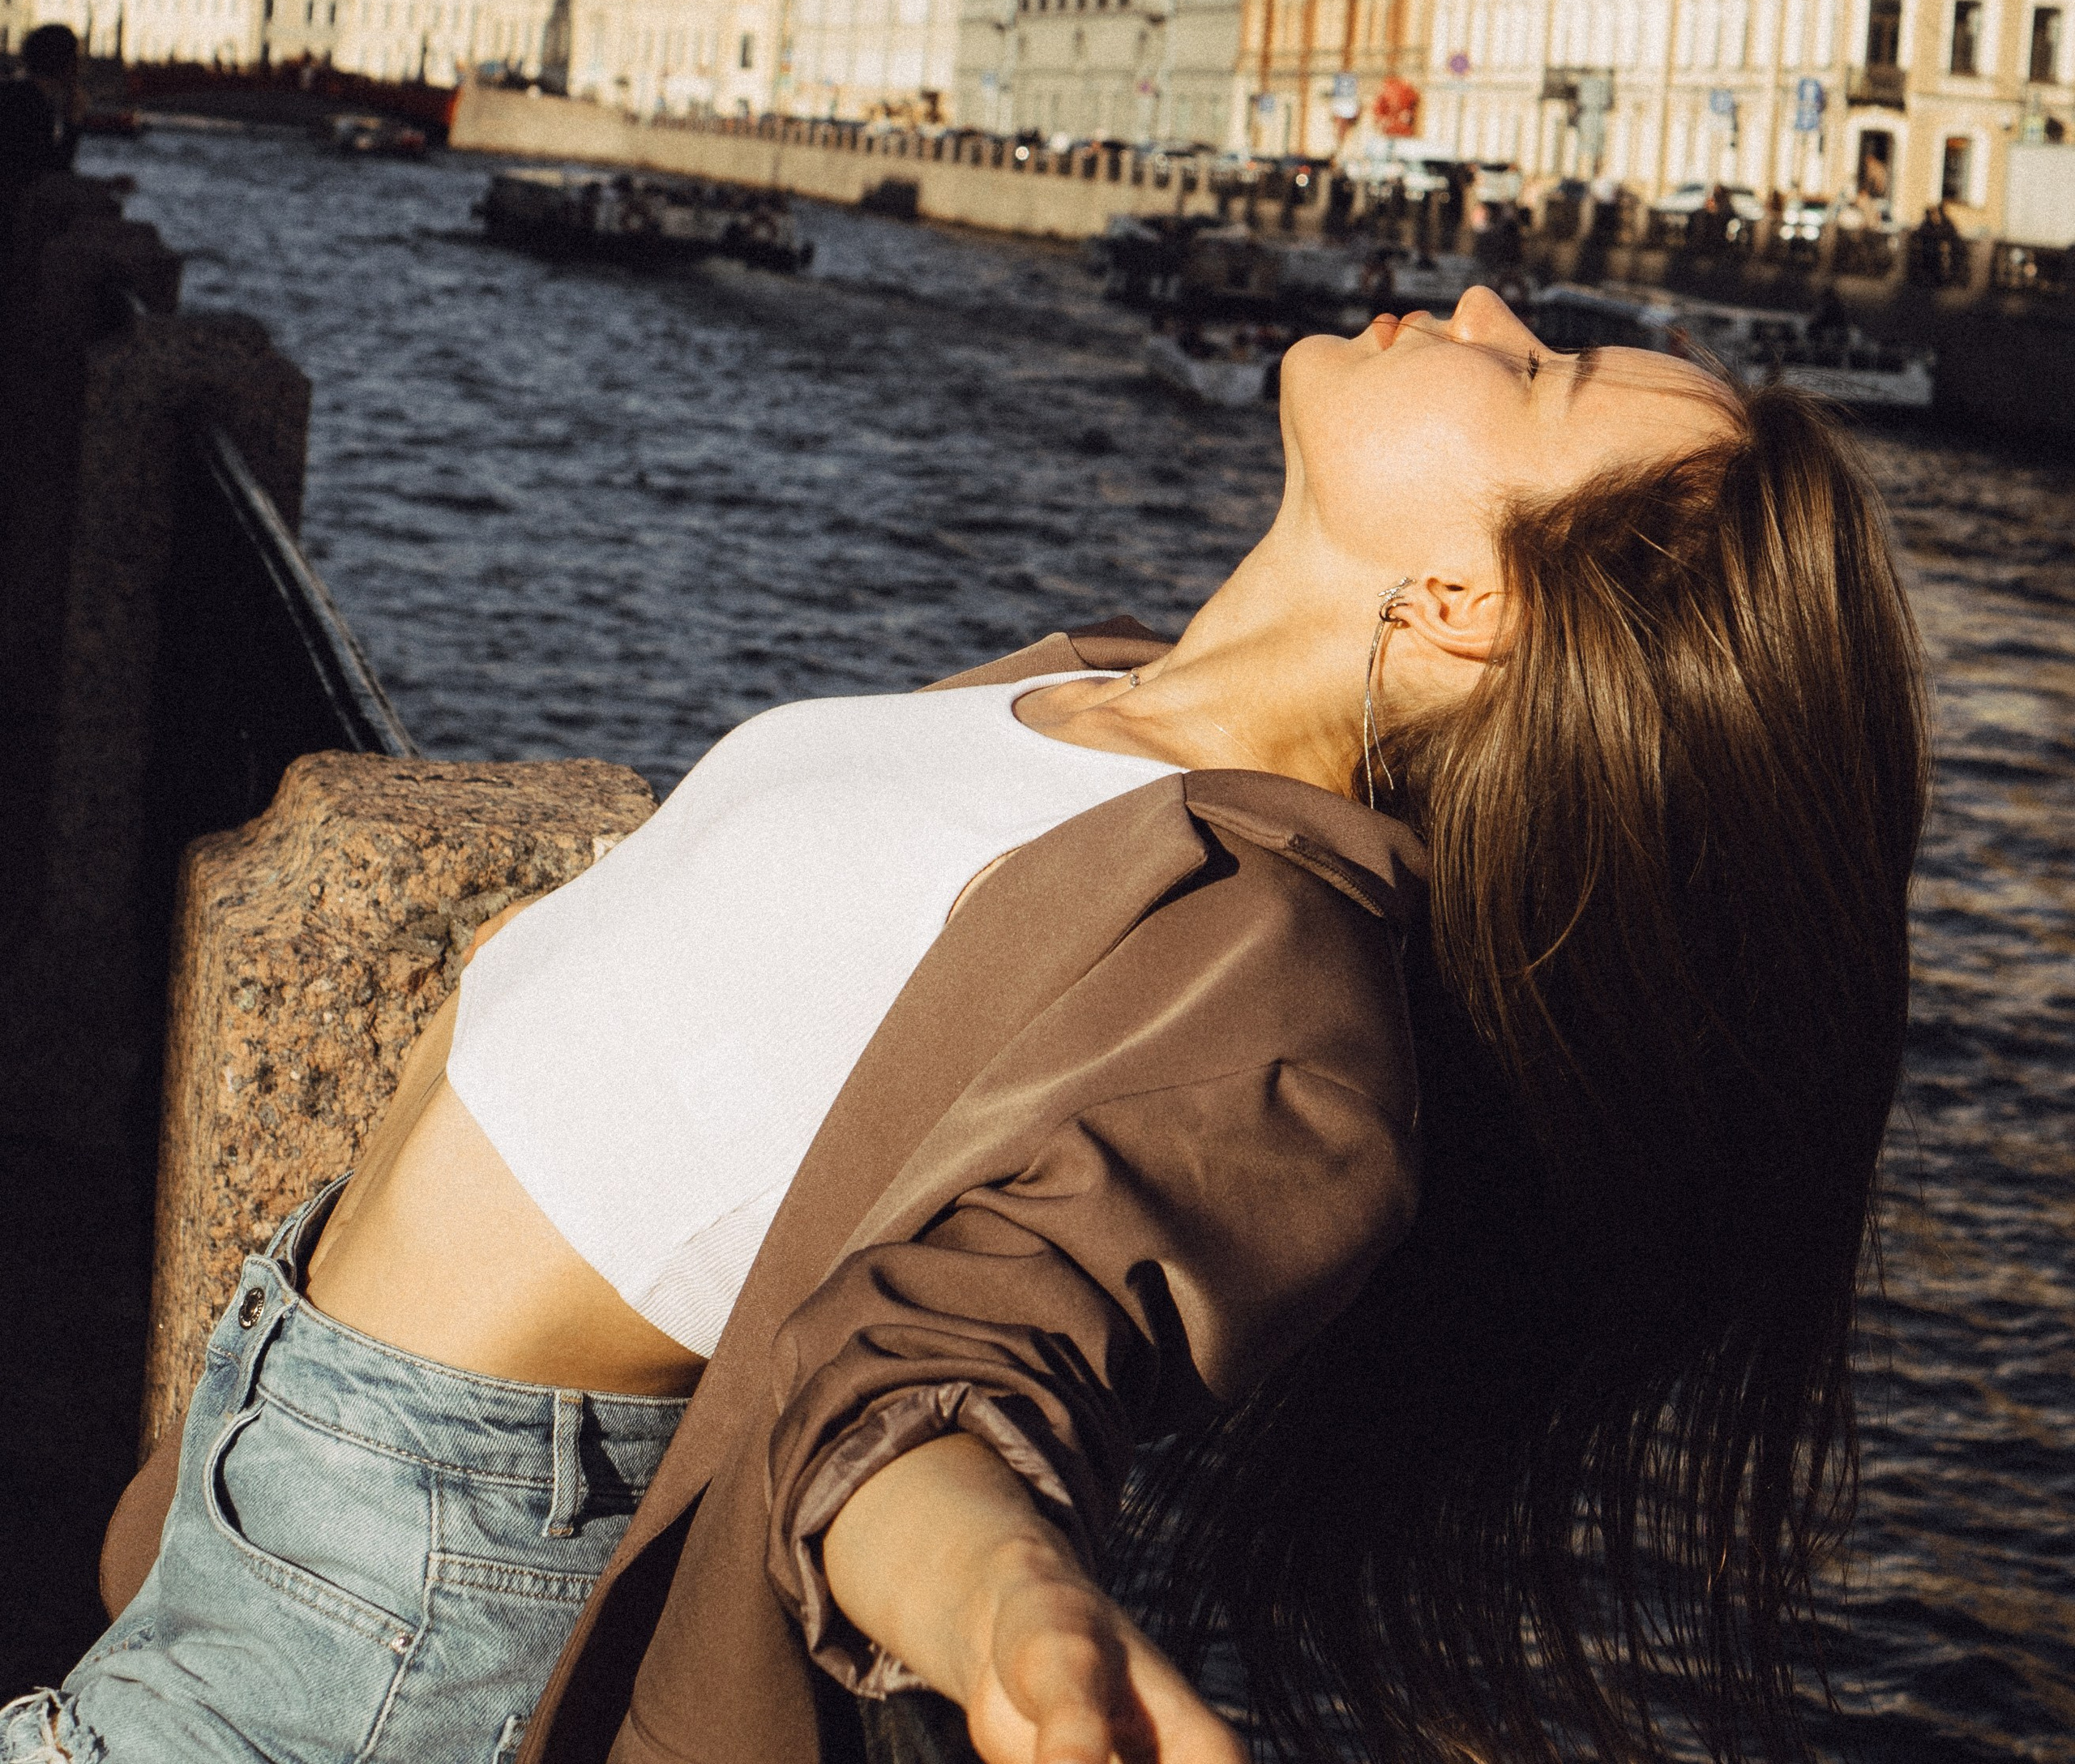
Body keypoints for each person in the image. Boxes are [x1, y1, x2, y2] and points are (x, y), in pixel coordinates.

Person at [17, 289, 1927, 1764]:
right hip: (285, 1464)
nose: (1490, 315)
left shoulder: (1278, 986)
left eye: (1542, 371)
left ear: (1465, 594)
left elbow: (952, 1369)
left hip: (398, 1612)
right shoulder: (1093, 692)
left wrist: (1008, 1601)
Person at [0, 21, 83, 178]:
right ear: (66, 64)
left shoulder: (18, 94)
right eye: (77, 58)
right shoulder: (32, 104)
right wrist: (73, 121)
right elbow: (51, 171)